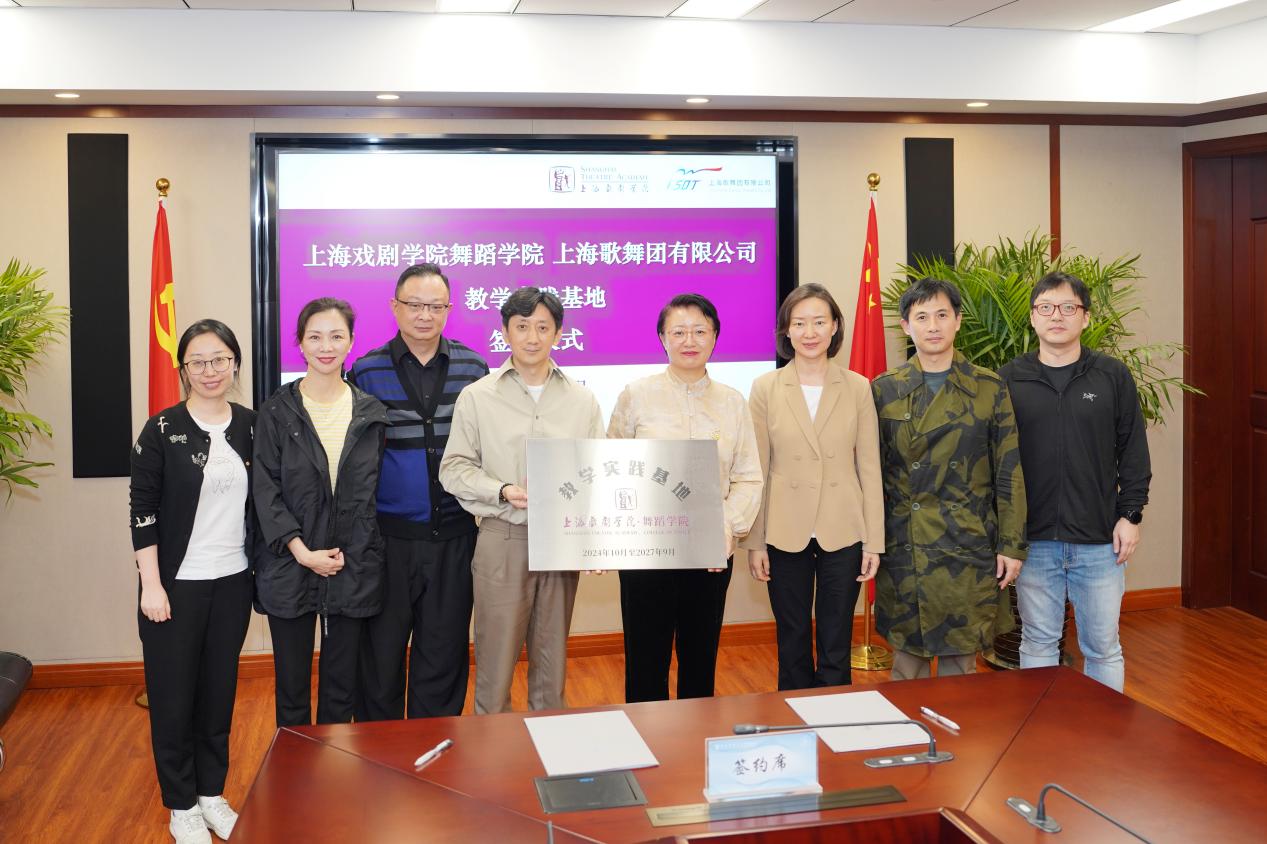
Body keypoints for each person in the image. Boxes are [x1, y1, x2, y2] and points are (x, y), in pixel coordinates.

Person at [439, 287, 604, 714]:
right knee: (495, 667)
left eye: (543, 328)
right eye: (522, 326)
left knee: (551, 667)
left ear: (559, 334)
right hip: (504, 537)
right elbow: (453, 468)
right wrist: (502, 490)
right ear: (505, 332)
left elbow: (598, 473)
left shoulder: (581, 399)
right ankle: (495, 755)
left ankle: (551, 749)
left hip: (563, 543)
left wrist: (596, 541)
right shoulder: (477, 396)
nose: (533, 337)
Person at [130, 319, 255, 844]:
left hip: (233, 584)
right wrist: (151, 586)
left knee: (218, 697)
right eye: (198, 361)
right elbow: (142, 512)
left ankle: (211, 795)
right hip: (175, 588)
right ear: (184, 369)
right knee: (173, 700)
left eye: (219, 359)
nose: (210, 370)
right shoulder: (161, 430)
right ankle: (181, 805)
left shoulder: (252, 425)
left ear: (234, 363)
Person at [606, 293, 763, 702]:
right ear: (662, 338)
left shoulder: (733, 402)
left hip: (709, 552)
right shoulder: (636, 395)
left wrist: (725, 527)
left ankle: (696, 737)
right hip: (646, 551)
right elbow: (612, 468)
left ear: (715, 337)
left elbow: (748, 477)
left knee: (700, 660)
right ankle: (646, 737)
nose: (689, 340)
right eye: (678, 332)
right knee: (645, 662)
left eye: (699, 331)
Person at [349, 264, 489, 720]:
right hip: (387, 541)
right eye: (414, 305)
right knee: (380, 658)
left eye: (435, 306)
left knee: (443, 655)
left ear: (449, 309)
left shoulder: (473, 368)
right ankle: (380, 752)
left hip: (455, 536)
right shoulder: (366, 371)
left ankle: (436, 750)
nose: (425, 315)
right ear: (395, 307)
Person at [1000, 272, 1151, 692]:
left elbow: (1134, 450)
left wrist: (1131, 515)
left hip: (1099, 542)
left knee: (1102, 648)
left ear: (1085, 318)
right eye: (1046, 307)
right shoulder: (1010, 378)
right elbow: (997, 461)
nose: (1057, 316)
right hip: (1034, 541)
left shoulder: (1111, 375)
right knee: (1037, 643)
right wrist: (1006, 532)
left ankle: (1105, 732)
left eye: (1068, 308)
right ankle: (1041, 728)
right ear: (1033, 317)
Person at [872, 277, 1028, 680]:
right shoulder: (885, 389)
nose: (933, 326)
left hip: (966, 543)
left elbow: (1008, 471)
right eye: (922, 317)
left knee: (960, 667)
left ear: (958, 321)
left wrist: (1012, 546)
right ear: (906, 326)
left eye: (942, 315)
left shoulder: (988, 387)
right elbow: (871, 476)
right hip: (906, 546)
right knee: (907, 666)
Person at [253, 298, 388, 726]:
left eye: (336, 336)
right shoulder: (276, 411)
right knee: (292, 690)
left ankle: (333, 767)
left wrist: (351, 551)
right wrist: (302, 551)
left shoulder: (371, 413)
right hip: (289, 564)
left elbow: (371, 495)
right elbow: (265, 491)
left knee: (340, 689)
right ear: (300, 343)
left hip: (351, 565)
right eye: (315, 337)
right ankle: (293, 767)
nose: (325, 346)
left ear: (351, 342)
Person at [743, 284, 884, 690]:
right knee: (792, 639)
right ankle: (794, 717)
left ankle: (834, 719)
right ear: (786, 330)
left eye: (819, 322)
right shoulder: (766, 388)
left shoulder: (857, 386)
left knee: (836, 640)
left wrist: (873, 542)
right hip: (784, 530)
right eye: (799, 323)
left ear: (835, 326)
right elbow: (758, 469)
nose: (810, 332)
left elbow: (869, 467)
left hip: (844, 529)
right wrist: (755, 542)